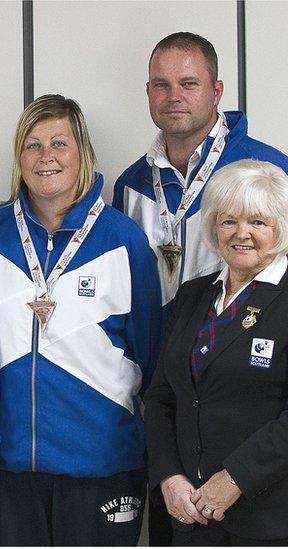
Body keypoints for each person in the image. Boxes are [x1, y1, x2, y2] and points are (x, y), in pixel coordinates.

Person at [112, 31, 288, 545]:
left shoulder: (270, 168)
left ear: (217, 90)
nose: (174, 96)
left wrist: (235, 479)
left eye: (189, 83)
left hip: (258, 479)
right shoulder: (130, 185)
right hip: (169, 396)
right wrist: (167, 472)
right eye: (161, 85)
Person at [0, 94, 162, 545]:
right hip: (4, 467)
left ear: (82, 153)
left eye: (59, 143)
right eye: (32, 145)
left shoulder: (124, 241)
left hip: (102, 465)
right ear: (19, 157)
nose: (46, 156)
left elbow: (151, 353)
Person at [145, 159, 288, 546]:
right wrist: (168, 476)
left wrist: (236, 477)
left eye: (258, 222)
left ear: (280, 228)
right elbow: (161, 397)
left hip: (269, 520)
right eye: (229, 221)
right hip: (190, 515)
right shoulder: (194, 294)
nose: (242, 233)